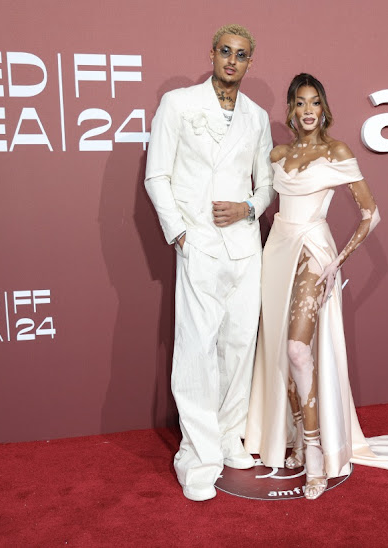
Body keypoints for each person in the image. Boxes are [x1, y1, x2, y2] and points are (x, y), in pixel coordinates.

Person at [244, 73, 388, 500]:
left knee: (297, 348)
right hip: (275, 253)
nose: (307, 110)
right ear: (291, 110)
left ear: (323, 108)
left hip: (314, 249)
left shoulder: (337, 151)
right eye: (299, 103)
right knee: (278, 349)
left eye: (314, 102)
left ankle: (314, 452)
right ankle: (293, 438)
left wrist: (336, 262)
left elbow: (371, 214)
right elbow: (259, 198)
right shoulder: (277, 154)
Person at [144, 24, 275, 502]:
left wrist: (250, 209)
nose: (232, 61)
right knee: (197, 350)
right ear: (213, 54)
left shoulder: (257, 117)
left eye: (242, 55)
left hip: (244, 246)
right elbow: (157, 174)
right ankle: (198, 457)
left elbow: (266, 185)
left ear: (249, 62)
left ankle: (228, 436)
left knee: (239, 345)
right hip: (197, 243)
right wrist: (179, 233)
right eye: (225, 51)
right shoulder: (178, 105)